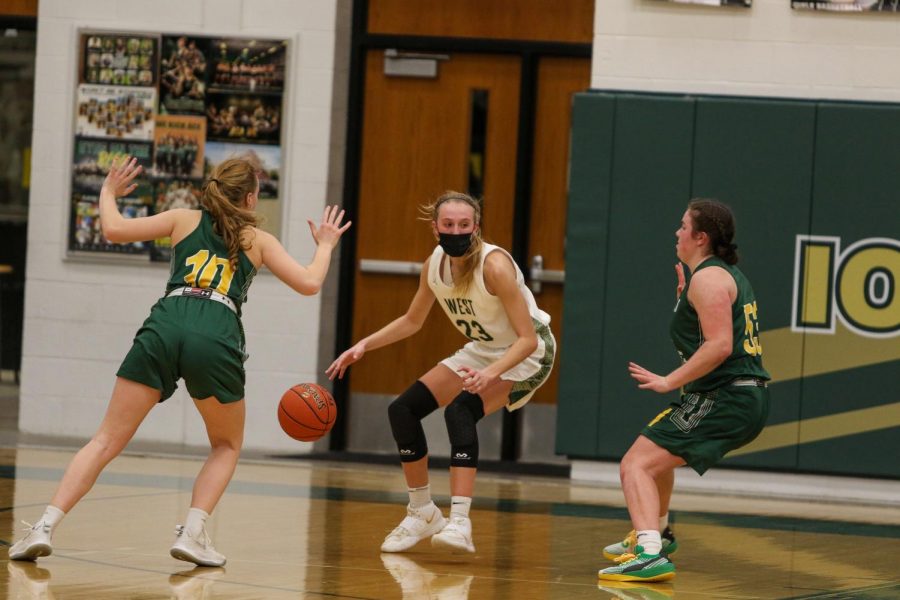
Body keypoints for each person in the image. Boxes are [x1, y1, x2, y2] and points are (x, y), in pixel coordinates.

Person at [8, 155, 350, 566]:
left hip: (168, 320)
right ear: (252, 197)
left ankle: (45, 524)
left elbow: (114, 229)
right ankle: (192, 532)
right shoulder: (257, 239)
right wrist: (326, 246)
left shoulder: (182, 218)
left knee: (105, 440)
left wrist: (107, 191)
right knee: (225, 445)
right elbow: (311, 283)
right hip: (217, 328)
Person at [327, 191, 556, 554]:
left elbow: (527, 339)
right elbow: (412, 320)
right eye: (448, 224)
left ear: (476, 227)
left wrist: (491, 373)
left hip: (528, 354)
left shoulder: (494, 266)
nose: (456, 230)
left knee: (460, 410)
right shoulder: (434, 265)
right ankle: (422, 512)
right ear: (435, 228)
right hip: (485, 350)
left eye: (464, 225)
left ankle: (460, 522)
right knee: (402, 410)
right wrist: (363, 346)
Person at [598, 199, 770, 583]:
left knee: (635, 465)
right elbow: (710, 338)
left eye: (682, 226)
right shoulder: (714, 277)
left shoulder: (709, 279)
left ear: (700, 236)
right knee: (655, 454)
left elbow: (720, 345)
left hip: (727, 397)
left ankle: (649, 553)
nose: (676, 232)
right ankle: (658, 533)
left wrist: (668, 380)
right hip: (728, 395)